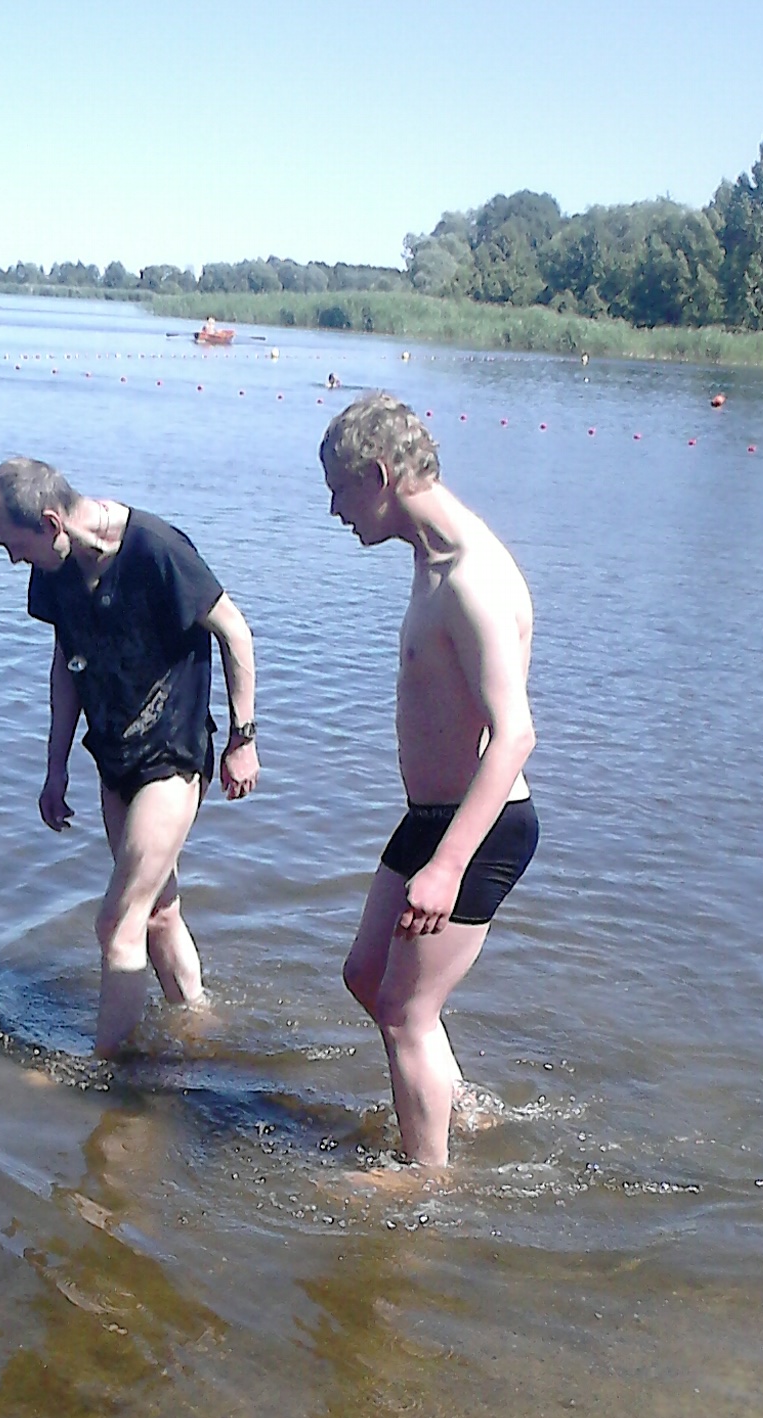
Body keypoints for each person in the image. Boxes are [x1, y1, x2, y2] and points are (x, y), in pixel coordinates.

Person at [320, 393, 538, 1168]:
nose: (334, 511)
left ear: (379, 477)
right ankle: (454, 1102)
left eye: (339, 491)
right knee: (367, 976)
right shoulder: (433, 557)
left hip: (477, 829)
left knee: (404, 1013)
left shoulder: (469, 578)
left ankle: (425, 1184)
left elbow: (515, 735)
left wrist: (446, 866)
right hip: (430, 816)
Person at [0, 458, 259, 1057]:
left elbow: (235, 632)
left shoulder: (156, 550)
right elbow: (66, 664)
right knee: (156, 911)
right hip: (114, 757)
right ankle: (200, 1022)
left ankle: (112, 1070)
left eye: (14, 546)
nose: (13, 561)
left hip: (171, 755)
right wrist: (55, 767)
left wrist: (243, 738)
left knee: (117, 923)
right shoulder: (55, 569)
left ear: (51, 522)